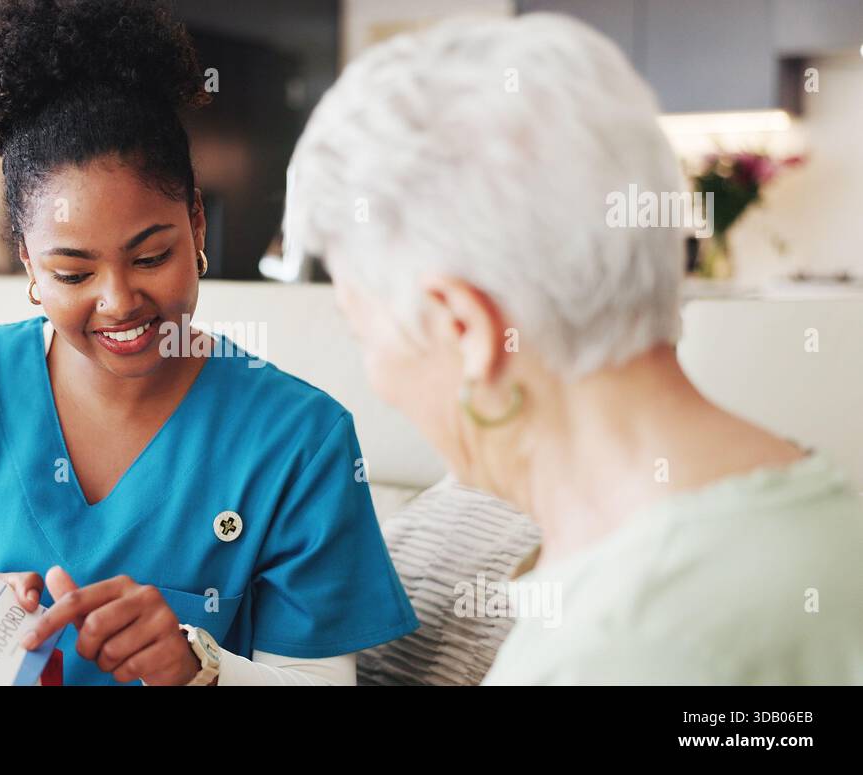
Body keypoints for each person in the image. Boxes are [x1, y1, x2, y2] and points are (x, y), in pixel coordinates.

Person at [0, 0, 418, 686]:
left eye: (151, 256)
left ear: (197, 228)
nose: (120, 300)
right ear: (30, 268)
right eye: (73, 271)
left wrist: (198, 666)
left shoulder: (300, 440)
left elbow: (321, 681)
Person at [282, 12, 863, 684]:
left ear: (464, 329)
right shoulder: (828, 521)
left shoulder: (616, 649)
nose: (376, 375)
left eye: (364, 332)